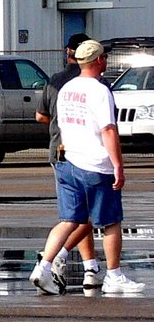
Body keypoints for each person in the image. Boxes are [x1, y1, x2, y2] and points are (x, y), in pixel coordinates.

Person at [30, 39, 142, 295]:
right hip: (95, 163)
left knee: (69, 219)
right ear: (98, 61)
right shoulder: (99, 90)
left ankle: (44, 267)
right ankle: (114, 275)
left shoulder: (67, 88)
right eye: (104, 57)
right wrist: (118, 166)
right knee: (111, 221)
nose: (106, 60)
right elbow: (108, 129)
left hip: (67, 161)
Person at [33, 33, 102, 291]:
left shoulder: (55, 81)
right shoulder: (93, 82)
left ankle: (90, 266)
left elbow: (40, 115)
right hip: (84, 152)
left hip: (57, 151)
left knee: (76, 213)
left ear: (67, 51)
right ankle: (54, 258)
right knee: (90, 214)